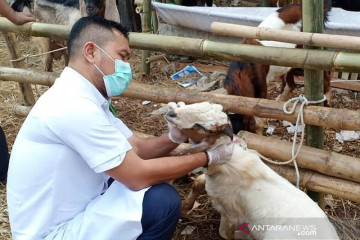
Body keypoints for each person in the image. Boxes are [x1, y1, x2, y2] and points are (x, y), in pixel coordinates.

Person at [7, 16, 237, 240]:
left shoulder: (85, 97)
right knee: (161, 201)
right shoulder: (72, 105)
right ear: (91, 52)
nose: (127, 67)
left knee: (153, 185)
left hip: (79, 205)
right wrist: (209, 156)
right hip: (52, 232)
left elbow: (135, 147)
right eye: (122, 57)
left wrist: (173, 137)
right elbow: (137, 175)